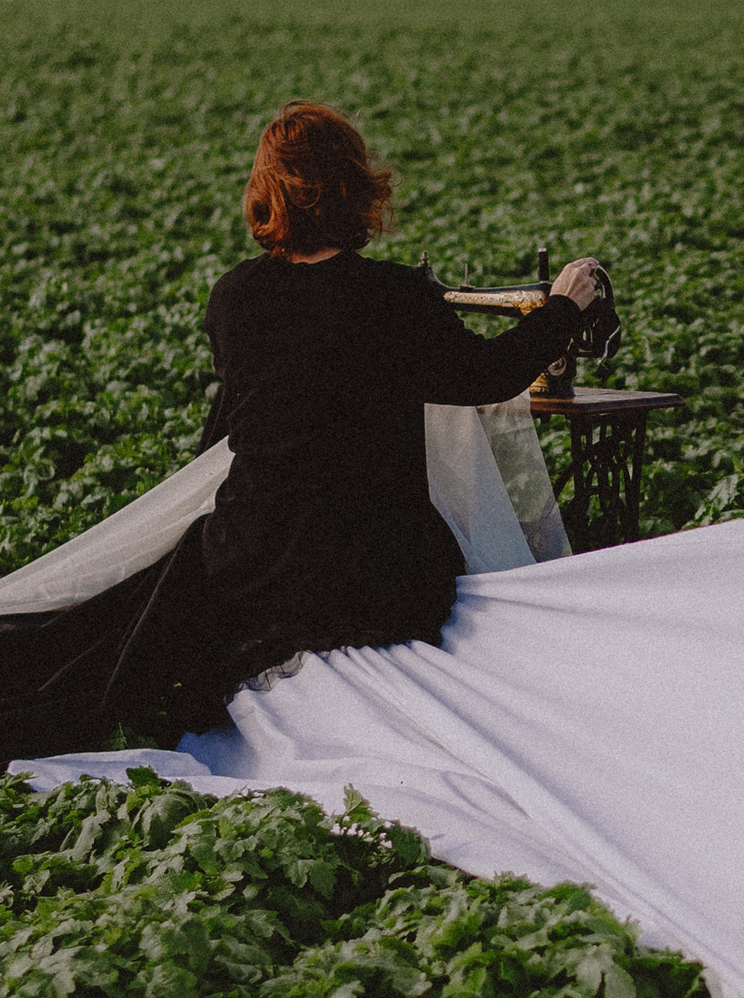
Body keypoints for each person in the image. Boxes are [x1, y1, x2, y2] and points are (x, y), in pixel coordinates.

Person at [195, 101, 616, 692]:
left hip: (251, 561)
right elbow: (486, 376)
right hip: (366, 573)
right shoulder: (391, 296)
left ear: (265, 190)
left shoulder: (233, 296)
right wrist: (563, 309)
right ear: (353, 187)